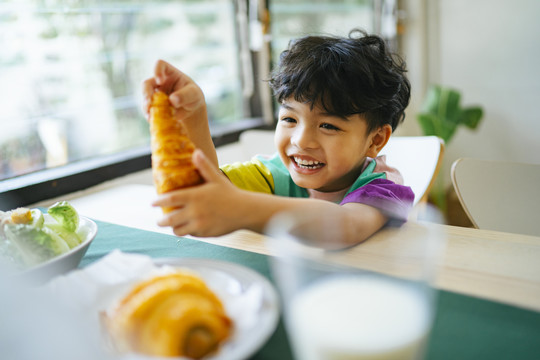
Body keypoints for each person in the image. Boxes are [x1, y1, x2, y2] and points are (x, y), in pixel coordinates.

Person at [142, 29, 414, 249]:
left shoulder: (383, 187)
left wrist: (240, 208)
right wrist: (194, 116)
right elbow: (205, 187)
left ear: (375, 140)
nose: (302, 140)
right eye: (289, 119)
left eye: (328, 125)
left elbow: (345, 226)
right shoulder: (275, 174)